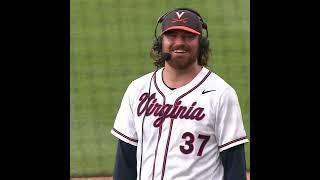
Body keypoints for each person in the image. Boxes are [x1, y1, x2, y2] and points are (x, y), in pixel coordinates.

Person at [111, 7, 249, 180]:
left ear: (201, 43)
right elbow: (126, 160)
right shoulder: (138, 89)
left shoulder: (221, 94)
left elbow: (234, 165)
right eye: (172, 36)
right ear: (161, 41)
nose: (179, 42)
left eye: (189, 37)